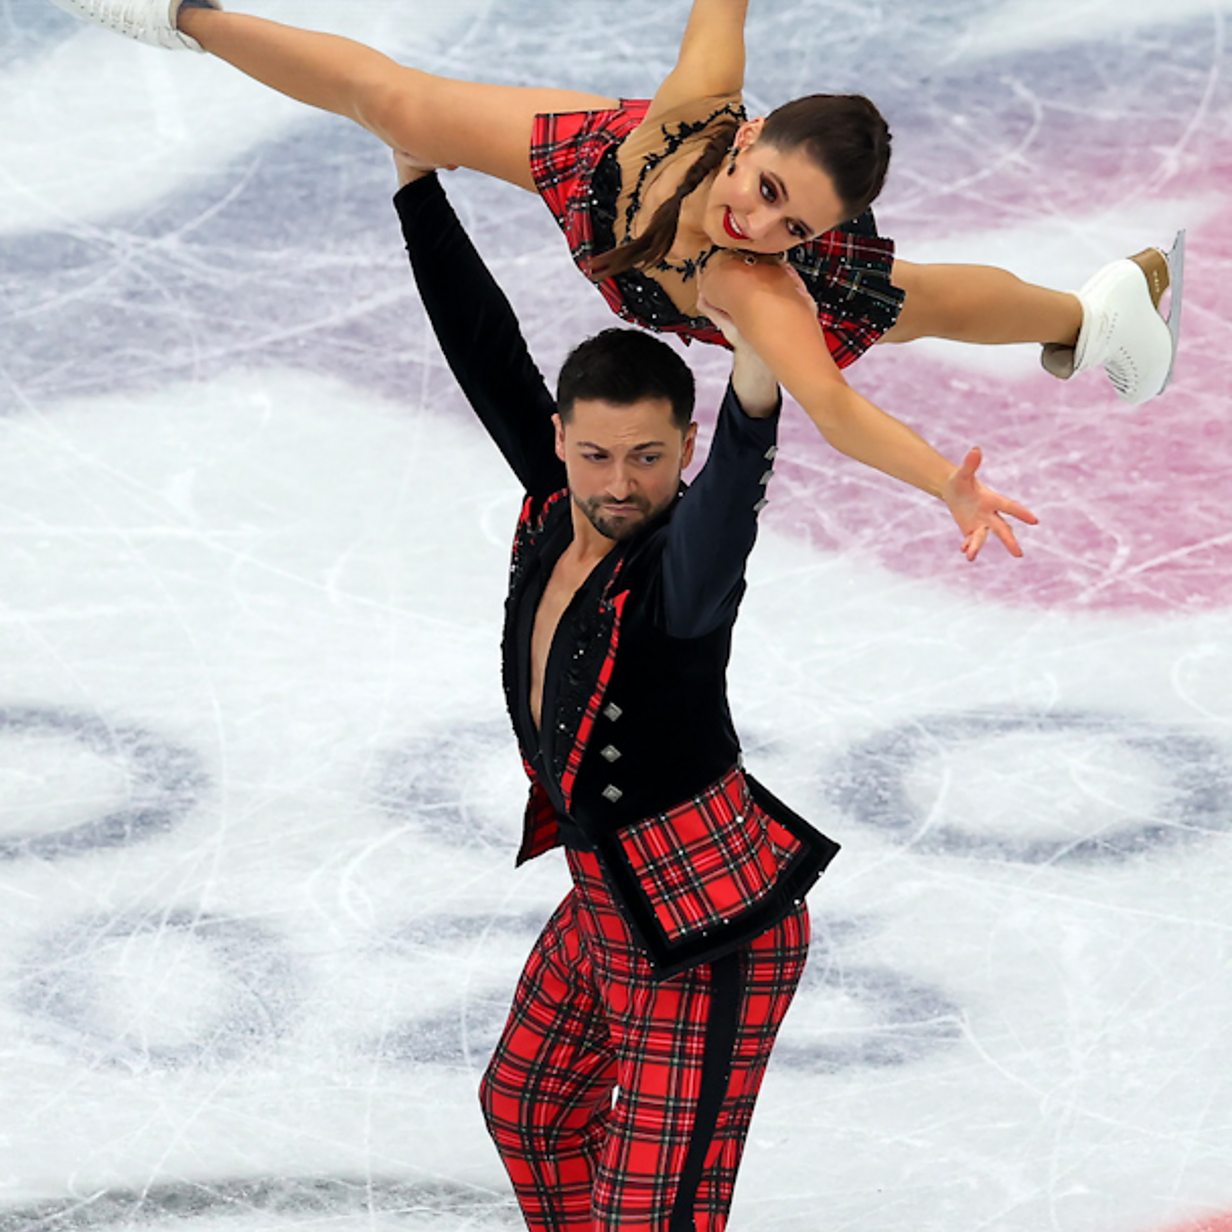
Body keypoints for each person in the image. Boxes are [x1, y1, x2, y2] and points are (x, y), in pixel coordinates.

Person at [49, 0, 1175, 558]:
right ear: (746, 137)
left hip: (691, 278)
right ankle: (182, 13)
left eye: (792, 221)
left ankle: (1088, 312)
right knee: (395, 104)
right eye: (765, 187)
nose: (758, 218)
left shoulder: (762, 282)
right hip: (605, 177)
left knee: (898, 303)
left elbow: (833, 407)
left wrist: (946, 486)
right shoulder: (699, 105)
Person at [389, 144, 864, 1229]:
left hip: (708, 935)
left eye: (648, 457)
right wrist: (417, 184)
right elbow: (482, 346)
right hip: (612, 898)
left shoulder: (678, 577)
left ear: (683, 444)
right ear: (560, 438)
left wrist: (758, 368)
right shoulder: (557, 500)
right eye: (596, 454)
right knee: (528, 1109)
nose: (618, 485)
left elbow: (732, 493)